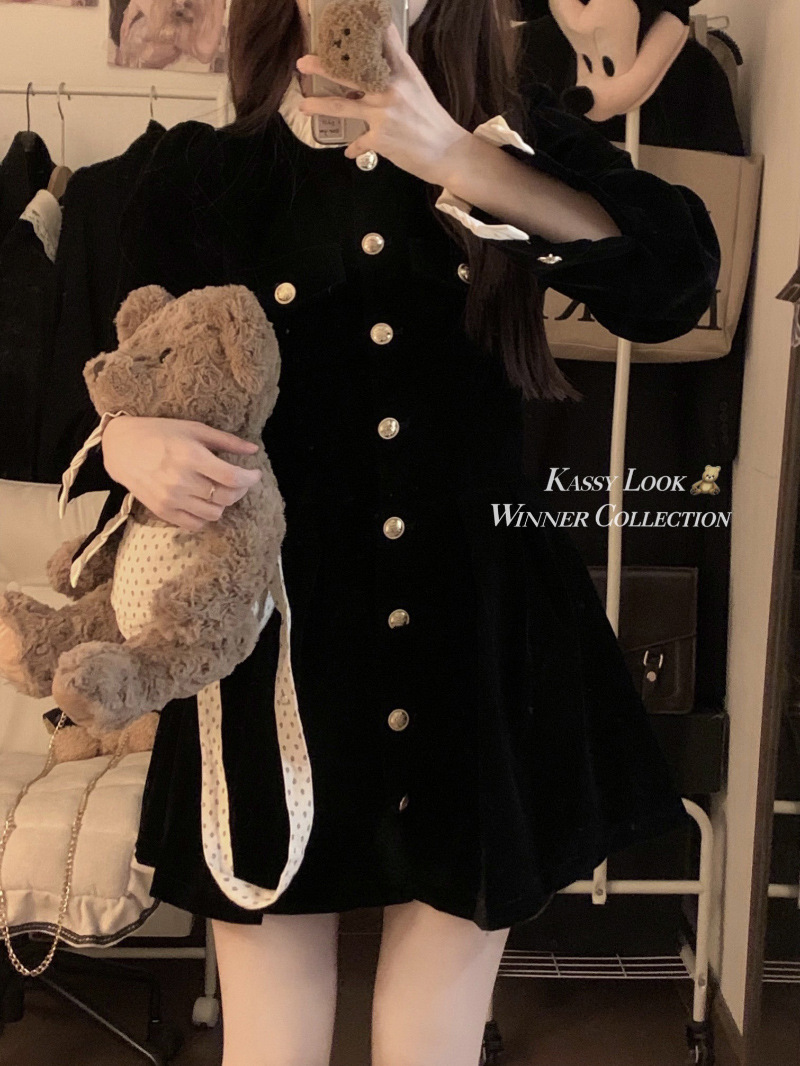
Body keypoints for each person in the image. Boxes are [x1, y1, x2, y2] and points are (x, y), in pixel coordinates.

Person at [93, 0, 721, 1063]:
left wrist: (463, 163)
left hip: (471, 640)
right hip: (276, 652)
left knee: (430, 1037)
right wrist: (123, 443)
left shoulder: (513, 132)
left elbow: (677, 279)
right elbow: (121, 372)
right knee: (272, 1040)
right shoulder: (200, 176)